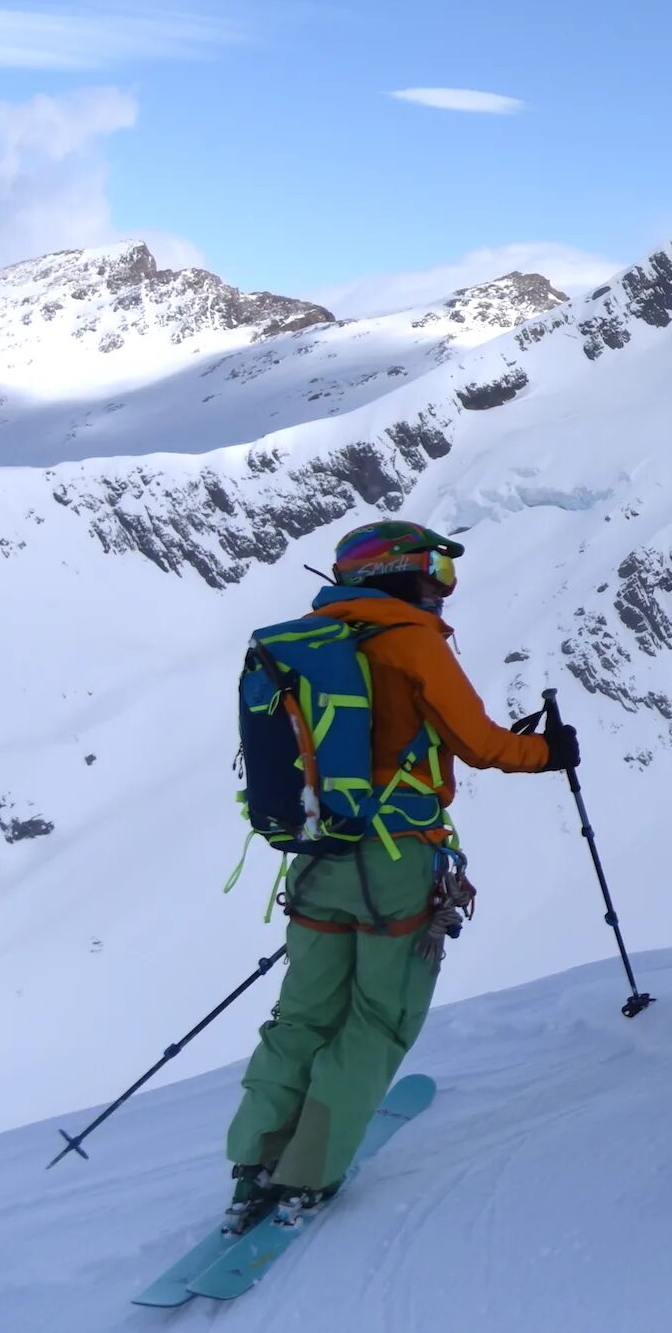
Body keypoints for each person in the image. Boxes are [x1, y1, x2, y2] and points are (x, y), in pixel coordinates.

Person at [222, 520, 576, 1229]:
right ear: (404, 575)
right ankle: (308, 1177)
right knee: (377, 1018)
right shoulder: (410, 641)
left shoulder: (307, 643)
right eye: (435, 576)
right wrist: (549, 752)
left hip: (319, 854)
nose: (440, 591)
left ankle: (254, 1162)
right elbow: (480, 745)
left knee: (302, 1016)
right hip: (396, 858)